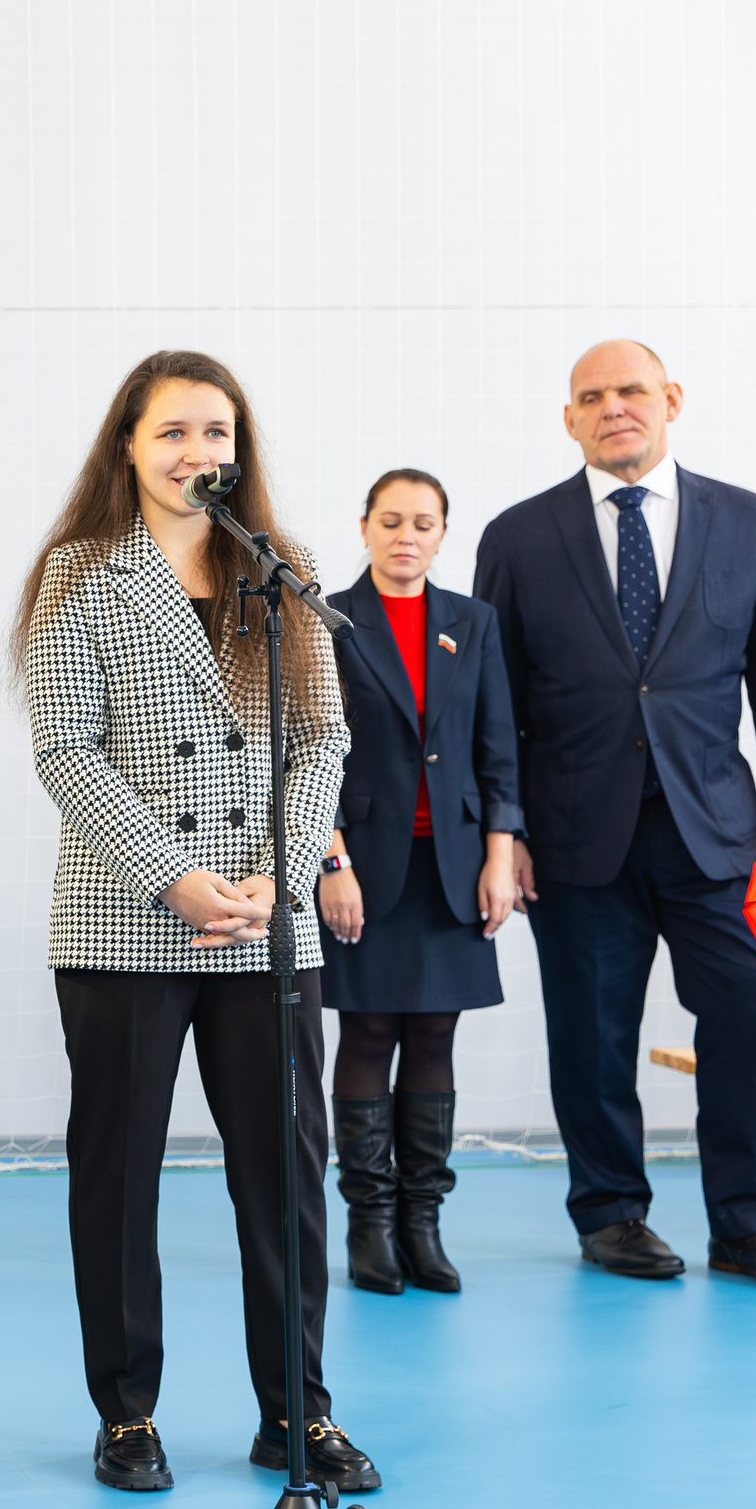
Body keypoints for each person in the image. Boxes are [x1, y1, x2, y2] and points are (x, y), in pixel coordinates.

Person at [14, 350, 378, 1495]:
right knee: (116, 1172)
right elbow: (63, 748)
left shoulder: (285, 571)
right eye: (171, 433)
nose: (195, 455)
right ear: (127, 445)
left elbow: (321, 735)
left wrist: (278, 870)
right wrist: (171, 875)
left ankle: (297, 1412)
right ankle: (127, 1412)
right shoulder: (80, 572)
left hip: (266, 922)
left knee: (283, 1171)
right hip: (129, 918)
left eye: (215, 434)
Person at [474, 340, 756, 1285]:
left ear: (671, 399)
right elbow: (496, 702)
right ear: (569, 419)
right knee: (591, 1035)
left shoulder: (749, 523)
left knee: (750, 1015)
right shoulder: (517, 538)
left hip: (717, 831)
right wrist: (503, 829)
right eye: (591, 397)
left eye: (631, 390)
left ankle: (747, 1220)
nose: (614, 408)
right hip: (571, 839)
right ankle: (610, 1214)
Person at [318, 471, 524, 1295]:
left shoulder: (473, 622)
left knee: (436, 1034)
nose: (407, 535)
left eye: (424, 523)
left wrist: (501, 851)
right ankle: (369, 1224)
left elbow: (497, 741)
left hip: (454, 863)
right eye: (392, 520)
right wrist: (332, 862)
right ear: (364, 526)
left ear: (443, 535)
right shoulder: (324, 619)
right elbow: (306, 748)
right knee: (367, 1035)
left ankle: (422, 1223)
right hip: (364, 864)